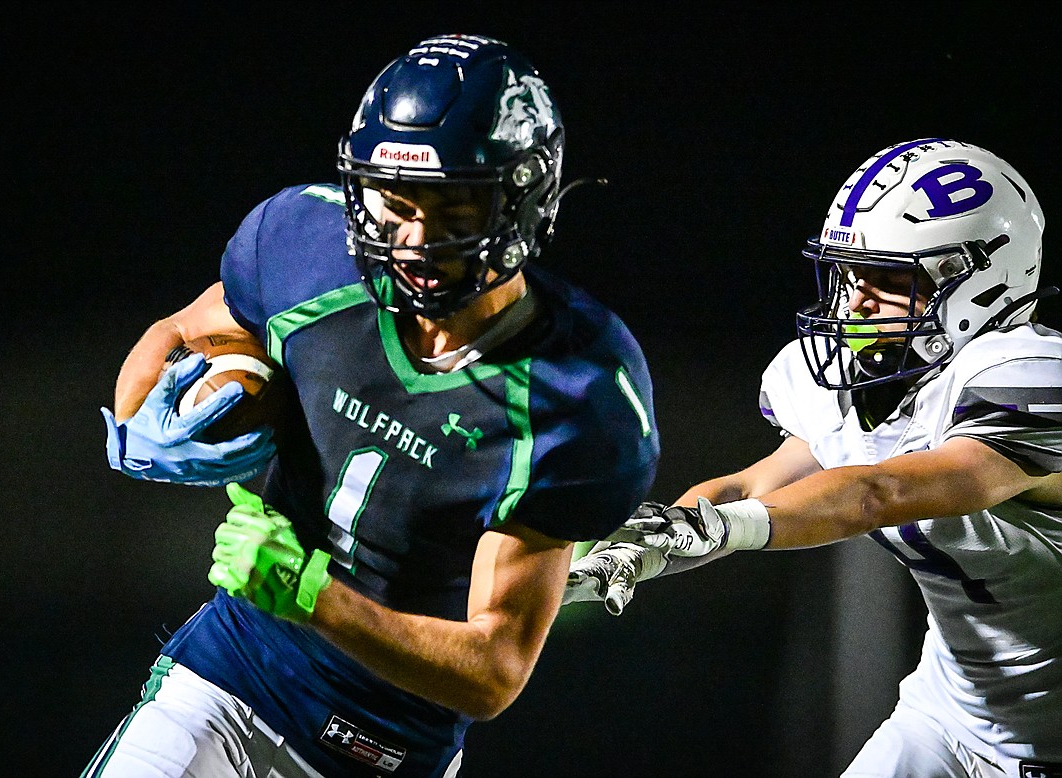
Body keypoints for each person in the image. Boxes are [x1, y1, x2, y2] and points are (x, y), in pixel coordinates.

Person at [86, 34, 660, 778]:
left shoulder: (575, 391)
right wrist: (139, 426)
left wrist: (313, 594)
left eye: (453, 209)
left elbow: (494, 669)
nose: (415, 239)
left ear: (523, 202)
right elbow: (177, 331)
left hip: (389, 754)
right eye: (396, 203)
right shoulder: (308, 251)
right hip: (229, 684)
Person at [567, 138, 1062, 777]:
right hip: (952, 715)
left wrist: (728, 531)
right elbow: (751, 491)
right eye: (852, 273)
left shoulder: (1028, 377)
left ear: (984, 283)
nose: (855, 302)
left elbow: (881, 491)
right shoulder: (848, 386)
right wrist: (658, 539)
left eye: (890, 279)